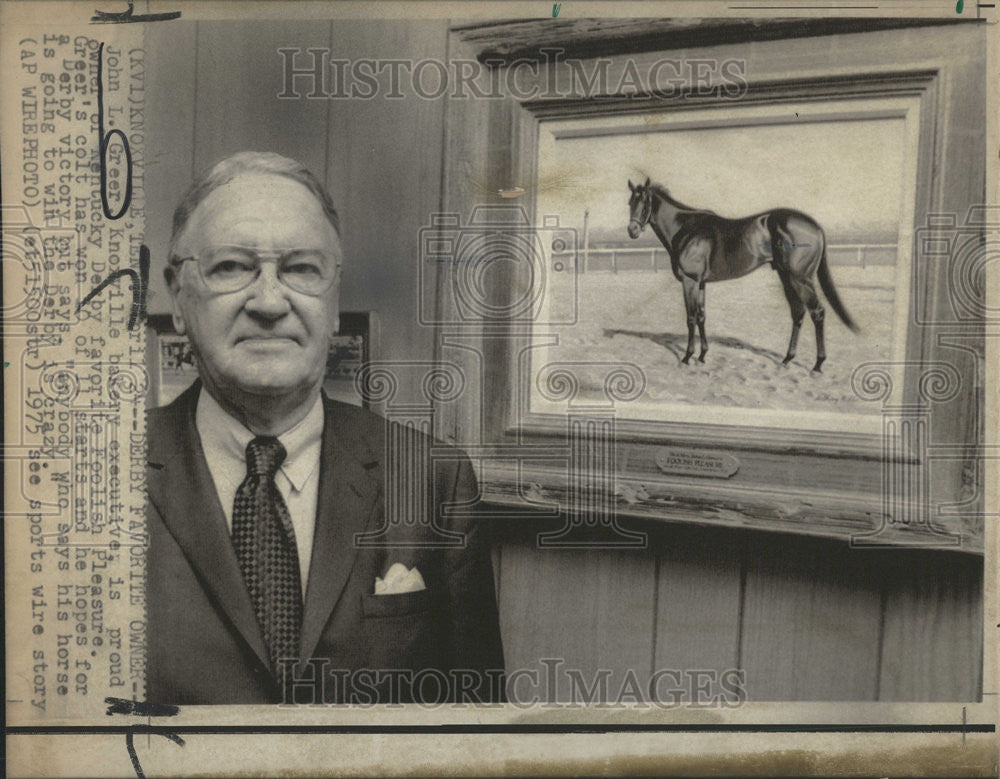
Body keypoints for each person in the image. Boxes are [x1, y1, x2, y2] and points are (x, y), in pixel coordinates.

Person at [145, 151, 505, 705]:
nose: (269, 302)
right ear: (178, 297)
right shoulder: (92, 479)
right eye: (231, 267)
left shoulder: (433, 480)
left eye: (301, 268)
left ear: (333, 300)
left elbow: (476, 737)